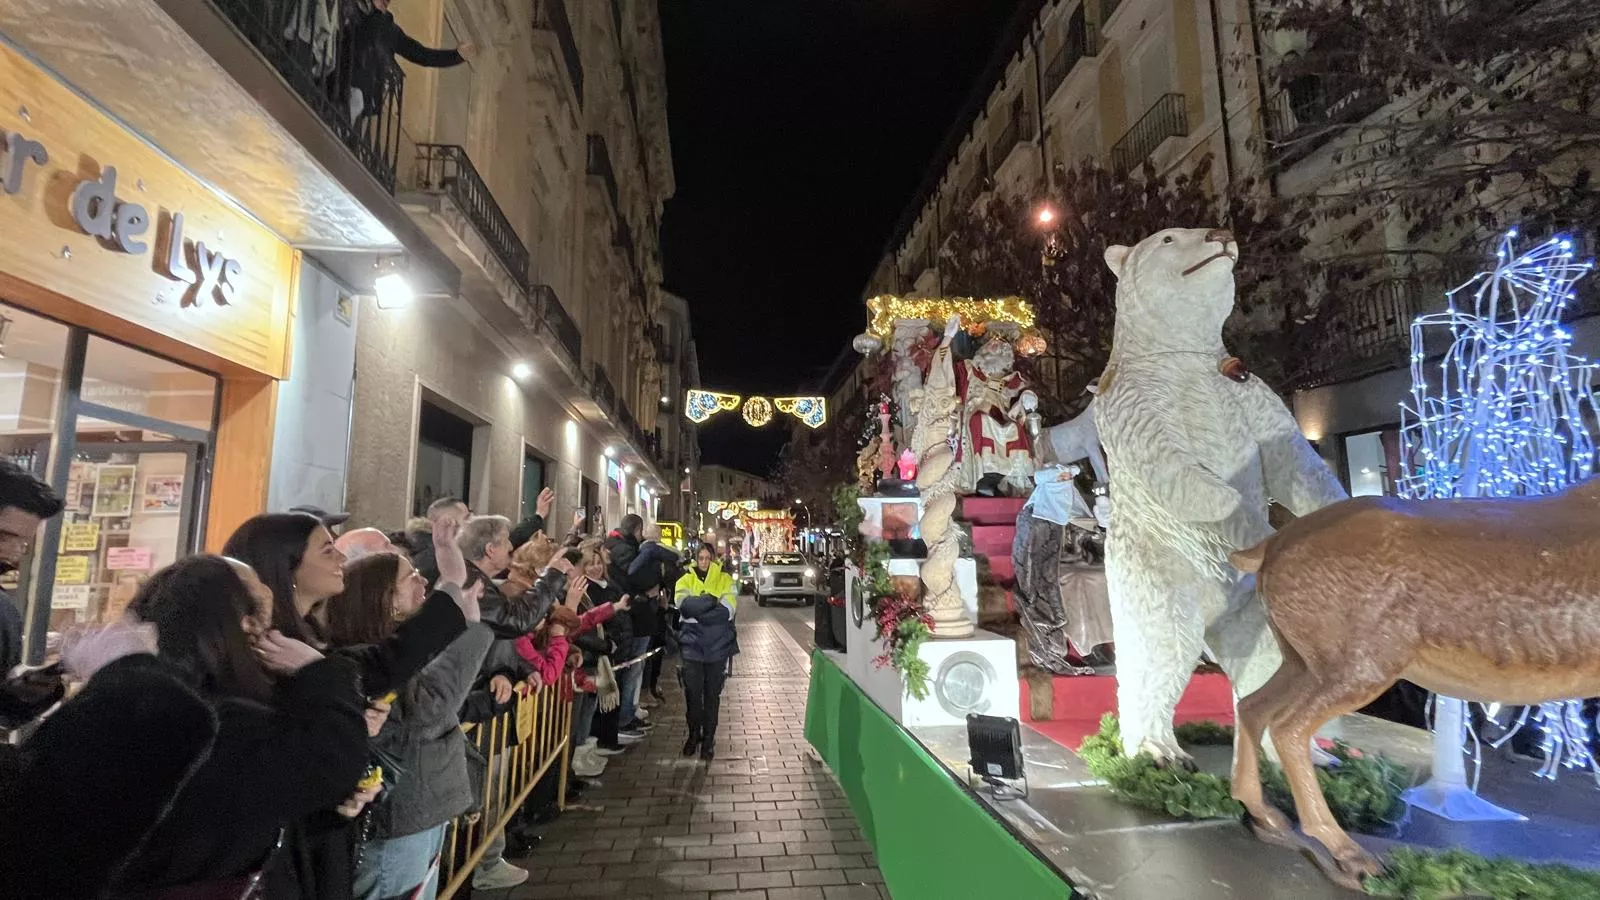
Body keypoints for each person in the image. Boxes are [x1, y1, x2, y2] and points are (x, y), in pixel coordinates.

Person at [1, 554, 372, 897]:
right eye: (260, 607)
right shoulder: (204, 722)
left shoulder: (128, 713)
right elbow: (325, 766)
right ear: (241, 622)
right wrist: (324, 677)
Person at [224, 514, 475, 900]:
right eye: (327, 549)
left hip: (330, 830)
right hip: (285, 855)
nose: (341, 557)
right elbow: (383, 666)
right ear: (285, 564)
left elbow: (377, 667)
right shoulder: (265, 647)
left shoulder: (312, 635)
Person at [325, 551, 489, 900]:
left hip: (420, 811)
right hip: (397, 822)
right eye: (410, 576)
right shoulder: (371, 659)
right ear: (383, 598)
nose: (422, 580)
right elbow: (428, 711)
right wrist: (471, 632)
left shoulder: (401, 650)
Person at [0, 458, 65, 728]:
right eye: (3, 536)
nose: (14, 553)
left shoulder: (4, 611)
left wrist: (32, 692)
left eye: (23, 542)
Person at [344, 0, 476, 123]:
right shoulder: (351, 5)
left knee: (354, 105)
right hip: (339, 78)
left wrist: (456, 56)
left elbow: (422, 55)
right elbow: (359, 39)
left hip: (362, 95)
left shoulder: (389, 29)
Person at [674, 545, 739, 761]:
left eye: (707, 558)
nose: (703, 562)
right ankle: (694, 736)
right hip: (692, 647)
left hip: (717, 647)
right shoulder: (684, 580)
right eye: (700, 558)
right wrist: (712, 601)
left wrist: (699, 613)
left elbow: (727, 611)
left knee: (712, 695)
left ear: (713, 559)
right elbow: (683, 606)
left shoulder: (725, 580)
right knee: (692, 695)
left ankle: (708, 740)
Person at [411, 497, 470, 587]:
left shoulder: (419, 545)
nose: (470, 524)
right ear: (448, 522)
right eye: (466, 519)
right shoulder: (438, 555)